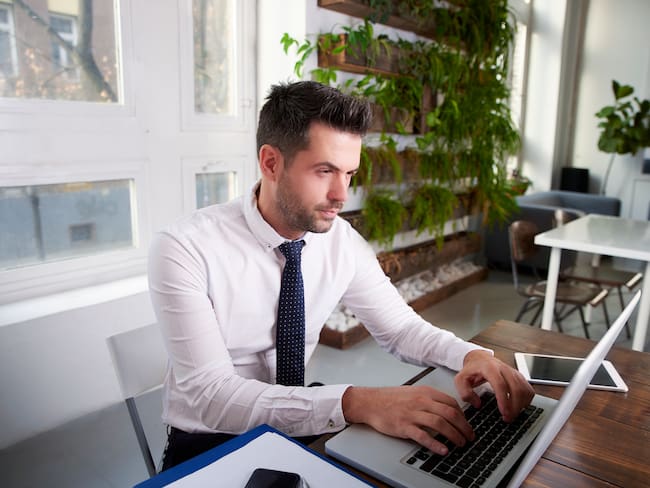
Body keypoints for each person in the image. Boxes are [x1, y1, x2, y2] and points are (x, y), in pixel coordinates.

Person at [148, 80, 534, 471]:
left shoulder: (340, 241)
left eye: (349, 173)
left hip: (297, 419)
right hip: (210, 439)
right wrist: (359, 402)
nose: (341, 194)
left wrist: (471, 354)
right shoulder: (184, 248)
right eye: (324, 171)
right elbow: (212, 397)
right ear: (270, 163)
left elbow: (399, 328)